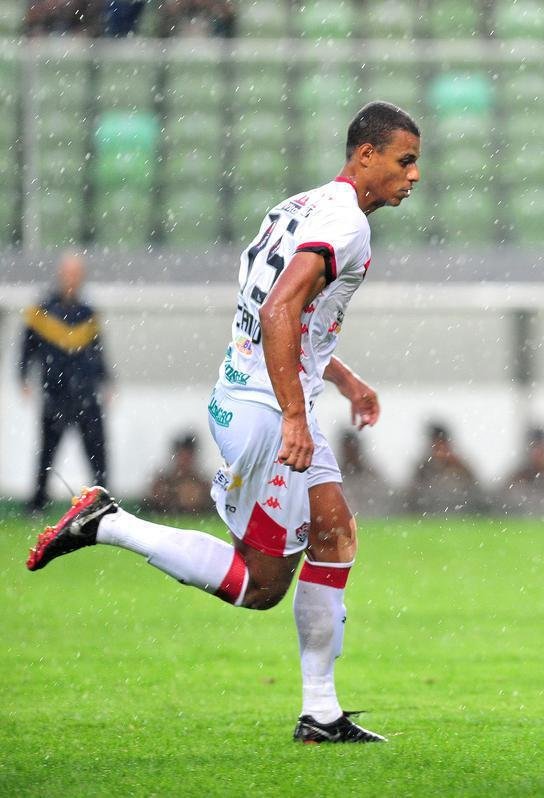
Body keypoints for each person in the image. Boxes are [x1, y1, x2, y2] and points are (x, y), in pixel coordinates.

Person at [26, 101, 422, 744]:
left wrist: (341, 379)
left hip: (257, 394)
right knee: (258, 585)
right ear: (366, 155)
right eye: (405, 161)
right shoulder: (346, 226)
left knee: (335, 534)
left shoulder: (297, 206)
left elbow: (278, 310)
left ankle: (320, 713)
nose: (413, 177)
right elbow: (278, 313)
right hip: (269, 413)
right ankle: (109, 524)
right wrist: (296, 416)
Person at [19, 253, 110, 513]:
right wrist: (23, 377)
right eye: (68, 273)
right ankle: (37, 504)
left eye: (76, 273)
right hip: (55, 391)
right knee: (47, 450)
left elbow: (98, 351)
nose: (72, 278)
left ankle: (103, 504)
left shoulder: (87, 313)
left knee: (97, 450)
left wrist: (106, 381)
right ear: (61, 275)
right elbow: (28, 348)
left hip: (85, 391)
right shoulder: (42, 310)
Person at [403, 421, 487, 515]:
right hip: (429, 518)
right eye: (436, 444)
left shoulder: (460, 465)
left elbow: (476, 493)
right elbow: (412, 497)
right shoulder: (423, 468)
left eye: (441, 444)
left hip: (460, 518)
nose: (439, 450)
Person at [144, 432, 211, 516]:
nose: (184, 461)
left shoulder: (203, 485)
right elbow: (151, 506)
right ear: (175, 456)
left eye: (188, 456)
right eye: (182, 455)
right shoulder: (163, 483)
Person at [336, 429, 394, 517]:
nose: (350, 453)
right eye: (347, 449)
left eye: (352, 449)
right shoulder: (334, 476)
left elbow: (384, 501)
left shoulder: (372, 476)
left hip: (372, 521)